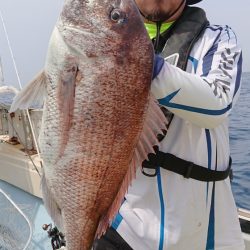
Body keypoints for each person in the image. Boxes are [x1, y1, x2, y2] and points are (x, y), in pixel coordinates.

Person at [93, 0, 244, 249]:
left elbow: (218, 103)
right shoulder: (103, 44)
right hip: (125, 224)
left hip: (205, 230)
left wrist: (145, 65)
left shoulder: (219, 39)